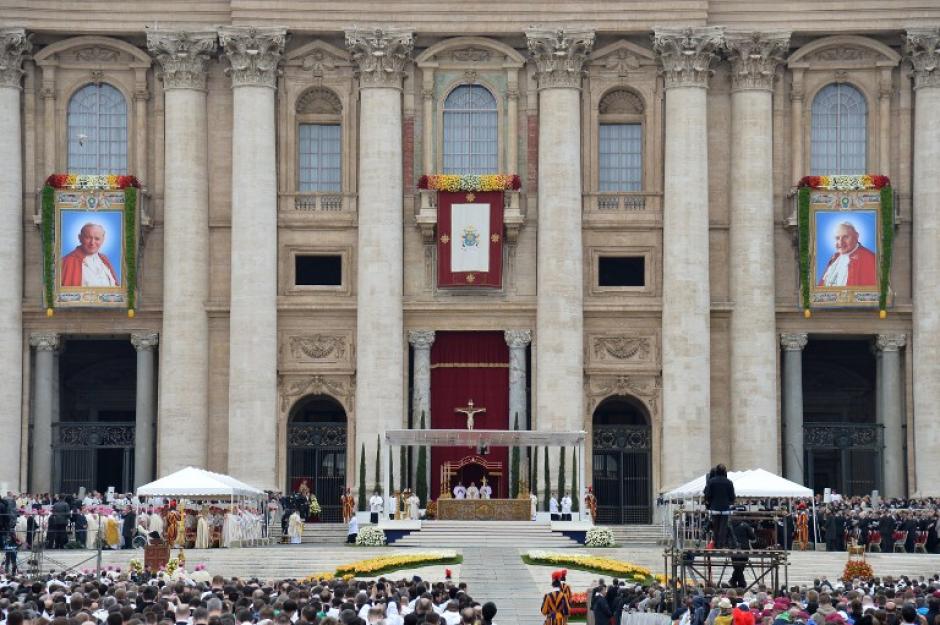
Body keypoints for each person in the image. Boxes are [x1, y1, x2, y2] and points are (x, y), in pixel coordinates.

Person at [60, 222, 121, 287]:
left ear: (103, 240)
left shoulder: (104, 259)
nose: (92, 243)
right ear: (80, 238)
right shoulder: (67, 261)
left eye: (97, 239)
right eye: (88, 238)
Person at [818, 221, 877, 287]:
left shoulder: (870, 258)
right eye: (837, 238)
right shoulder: (835, 257)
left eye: (845, 237)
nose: (840, 242)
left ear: (856, 236)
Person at [704, 464, 735, 548]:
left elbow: (707, 495)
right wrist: (729, 502)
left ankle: (715, 543)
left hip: (714, 507)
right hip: (725, 508)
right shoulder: (729, 482)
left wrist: (709, 503)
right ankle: (721, 544)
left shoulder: (711, 481)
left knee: (715, 527)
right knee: (723, 528)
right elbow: (732, 496)